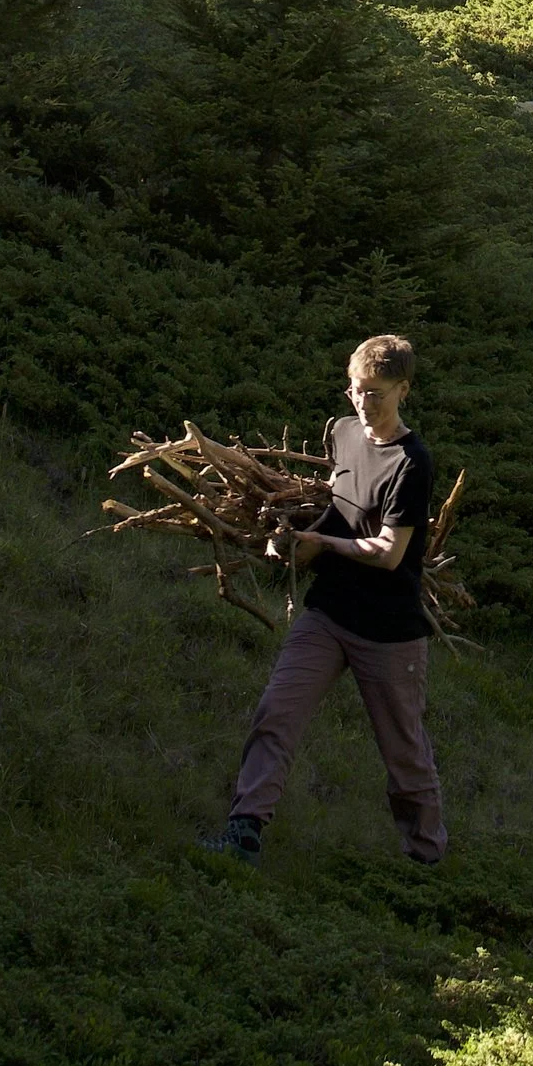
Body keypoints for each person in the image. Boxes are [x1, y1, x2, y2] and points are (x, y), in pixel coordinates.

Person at [200, 333, 447, 866]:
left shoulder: (412, 462)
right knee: (277, 712)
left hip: (388, 630)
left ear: (403, 390)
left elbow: (387, 552)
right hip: (328, 610)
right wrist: (292, 536)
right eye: (356, 390)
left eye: (377, 393)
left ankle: (427, 863)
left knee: (404, 754)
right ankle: (244, 832)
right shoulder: (343, 433)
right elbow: (338, 507)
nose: (364, 402)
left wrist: (322, 544)